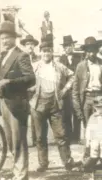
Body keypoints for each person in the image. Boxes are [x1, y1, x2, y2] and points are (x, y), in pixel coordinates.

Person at [0, 21, 35, 180]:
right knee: (10, 139)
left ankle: (21, 174)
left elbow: (31, 78)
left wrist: (10, 82)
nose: (4, 41)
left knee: (18, 139)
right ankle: (17, 170)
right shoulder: (3, 56)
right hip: (4, 102)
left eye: (7, 38)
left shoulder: (21, 55)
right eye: (2, 38)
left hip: (17, 103)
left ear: (14, 38)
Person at [29, 40, 80, 172]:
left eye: (49, 51)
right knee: (40, 137)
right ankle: (43, 164)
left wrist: (65, 89)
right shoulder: (34, 66)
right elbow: (25, 80)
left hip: (55, 104)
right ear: (40, 52)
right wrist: (30, 90)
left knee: (61, 135)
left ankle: (68, 162)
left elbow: (73, 76)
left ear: (52, 52)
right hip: (38, 105)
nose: (46, 53)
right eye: (44, 51)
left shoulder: (59, 66)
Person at [72, 37, 102, 142]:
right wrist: (77, 108)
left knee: (100, 128)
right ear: (86, 51)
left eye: (93, 50)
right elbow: (75, 89)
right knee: (88, 127)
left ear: (97, 50)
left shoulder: (101, 64)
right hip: (87, 99)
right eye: (89, 51)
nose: (91, 54)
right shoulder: (81, 66)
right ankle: (88, 153)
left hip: (100, 97)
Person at [59, 35, 82, 144]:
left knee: (76, 113)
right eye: (66, 46)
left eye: (70, 45)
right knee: (66, 113)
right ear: (64, 48)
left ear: (73, 46)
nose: (68, 48)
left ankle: (76, 137)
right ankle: (68, 136)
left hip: (76, 90)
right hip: (65, 90)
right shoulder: (61, 60)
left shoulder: (78, 59)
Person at [20, 34, 39, 147]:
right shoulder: (21, 58)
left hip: (34, 90)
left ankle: (36, 140)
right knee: (22, 116)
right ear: (24, 46)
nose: (30, 46)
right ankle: (23, 141)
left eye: (32, 44)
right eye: (27, 44)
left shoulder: (38, 59)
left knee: (34, 115)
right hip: (23, 90)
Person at [80, 96, 102, 172]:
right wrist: (88, 141)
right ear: (95, 108)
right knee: (94, 154)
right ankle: (88, 166)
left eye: (101, 107)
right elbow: (89, 130)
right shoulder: (92, 117)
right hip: (95, 140)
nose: (100, 110)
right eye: (98, 107)